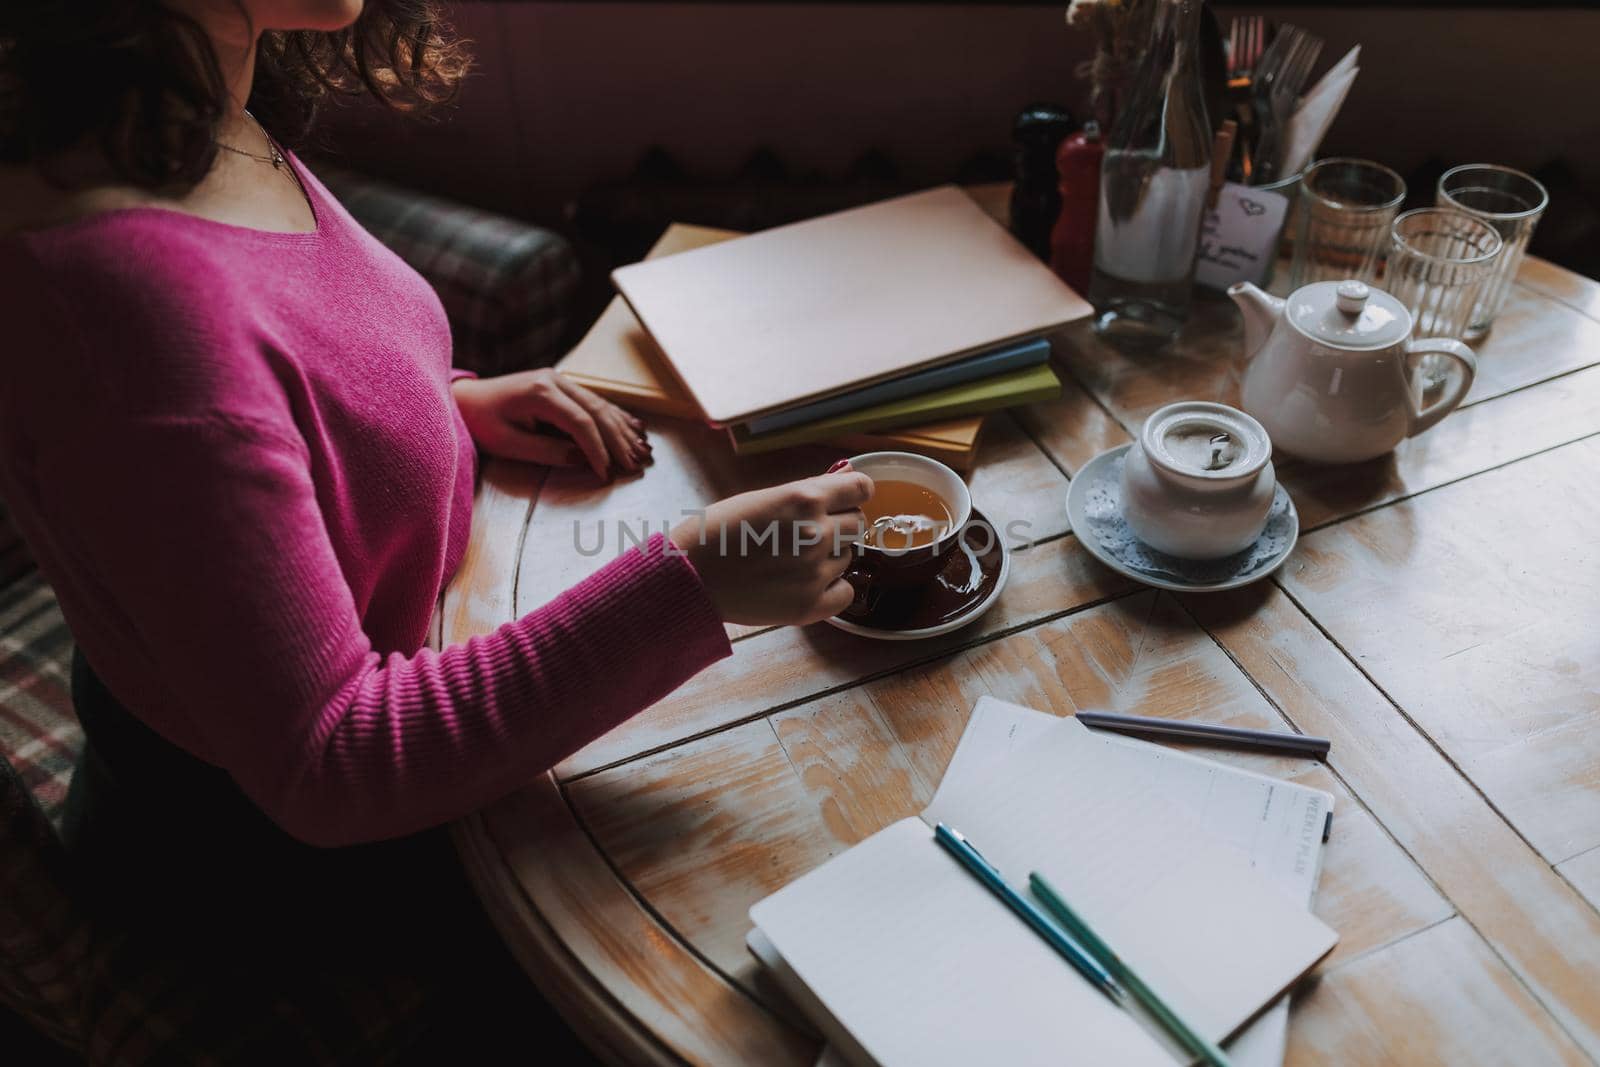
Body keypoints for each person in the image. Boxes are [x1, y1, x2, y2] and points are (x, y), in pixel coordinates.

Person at [0, 0, 870, 1060]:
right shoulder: (123, 304)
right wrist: (694, 582)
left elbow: (264, 391)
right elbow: (333, 762)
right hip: (293, 888)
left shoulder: (189, 88)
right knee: (784, 888)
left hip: (370, 729)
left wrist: (440, 403)